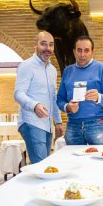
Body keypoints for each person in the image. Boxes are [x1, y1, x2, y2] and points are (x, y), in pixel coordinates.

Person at [57, 35, 103, 145]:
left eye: (86, 50)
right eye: (79, 50)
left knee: (97, 160)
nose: (82, 55)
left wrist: (98, 97)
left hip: (97, 125)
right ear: (74, 52)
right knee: (72, 160)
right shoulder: (67, 71)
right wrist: (67, 107)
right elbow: (60, 99)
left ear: (92, 52)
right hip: (73, 125)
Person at [14, 31, 63, 164]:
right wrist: (34, 105)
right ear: (35, 45)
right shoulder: (26, 66)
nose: (47, 48)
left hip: (47, 125)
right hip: (31, 122)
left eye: (51, 45)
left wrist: (57, 121)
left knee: (43, 163)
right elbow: (18, 93)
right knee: (41, 165)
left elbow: (53, 97)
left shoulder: (52, 69)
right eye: (43, 44)